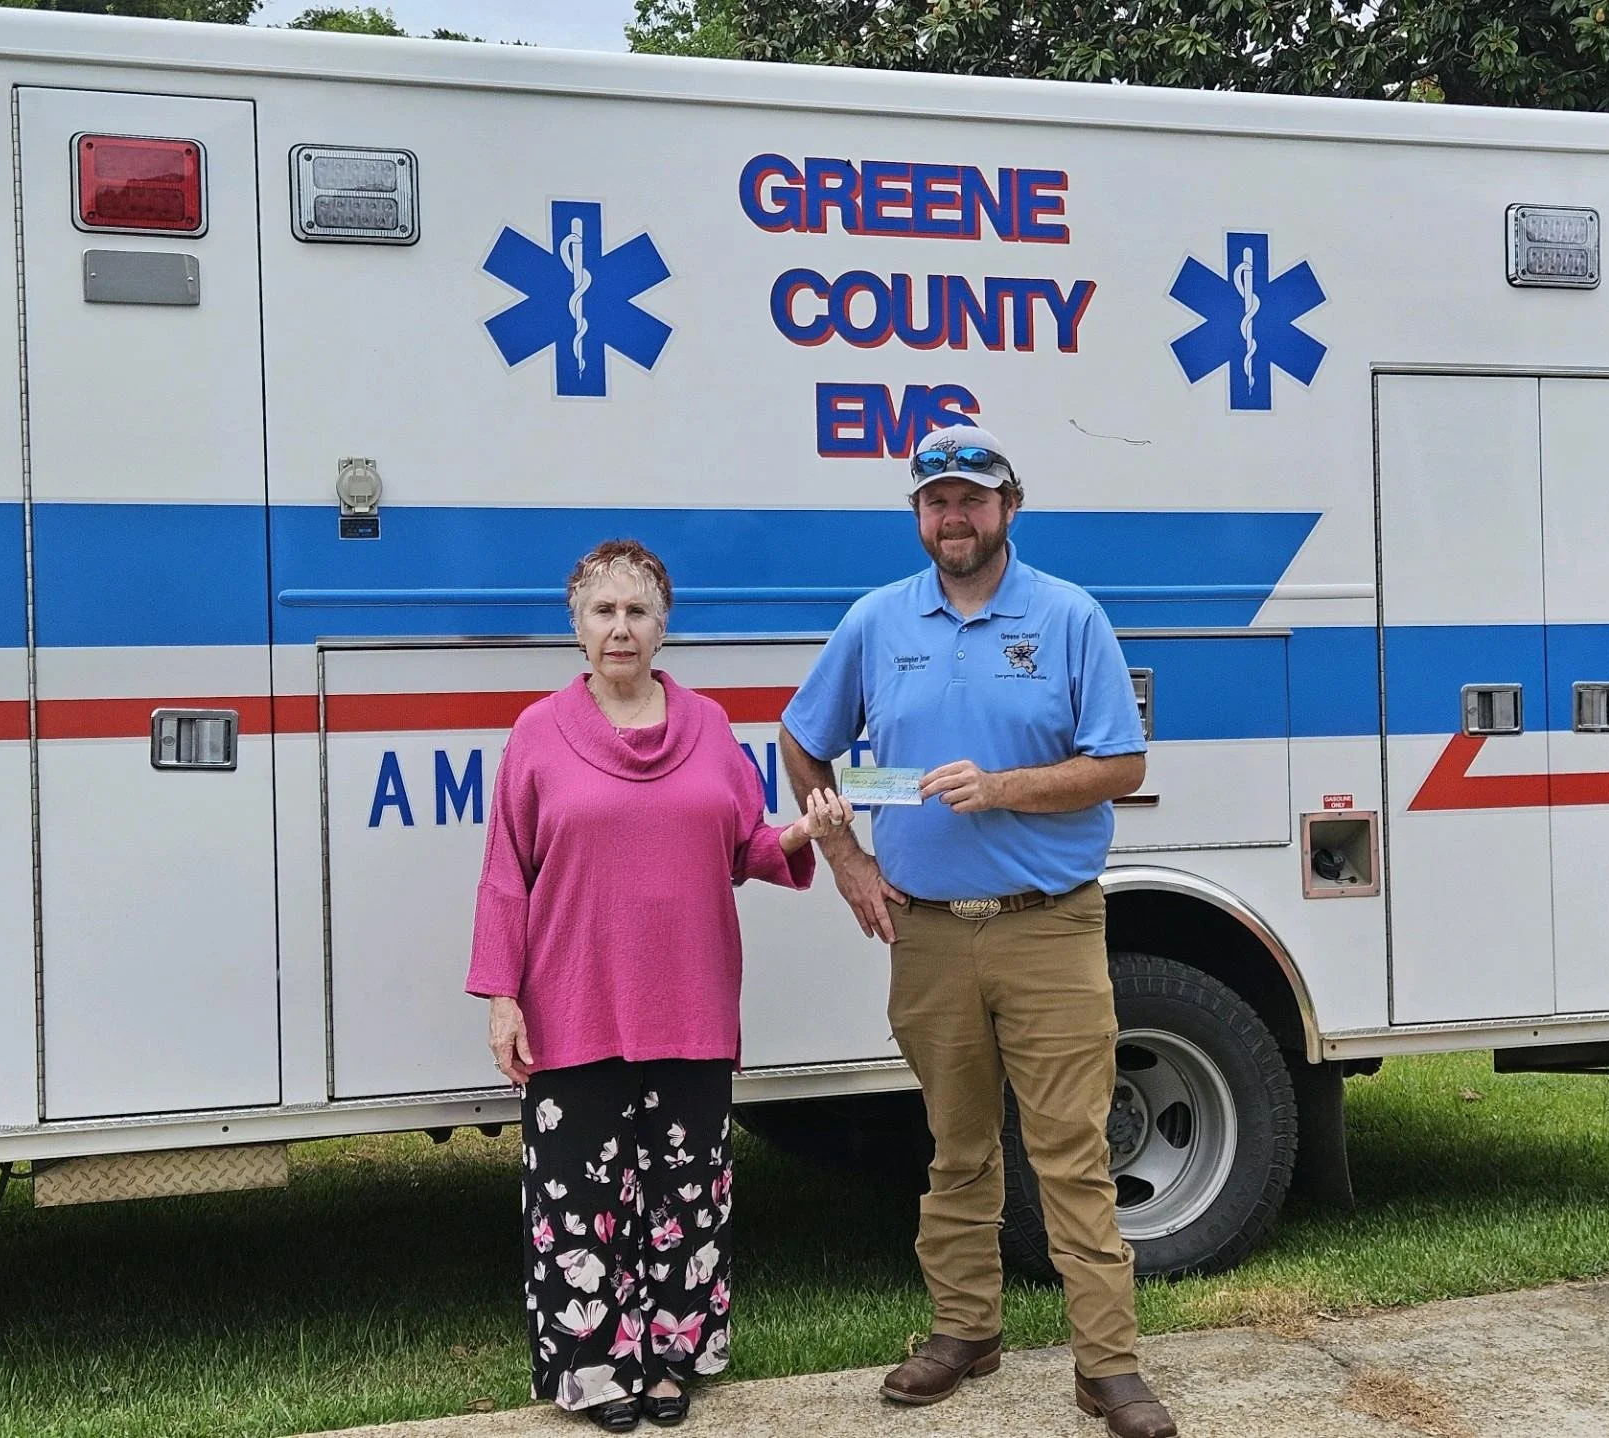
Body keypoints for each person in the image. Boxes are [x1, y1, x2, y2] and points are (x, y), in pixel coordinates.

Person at [779, 426, 1177, 1438]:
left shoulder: (1067, 615)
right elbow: (802, 740)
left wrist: (1002, 789)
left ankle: (1108, 1367)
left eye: (971, 499)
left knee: (1071, 1155)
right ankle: (964, 1331)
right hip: (929, 935)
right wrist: (850, 861)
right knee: (956, 1149)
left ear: (1009, 506)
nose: (952, 518)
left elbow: (1119, 765)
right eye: (935, 501)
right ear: (919, 516)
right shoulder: (877, 621)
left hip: (1048, 927)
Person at [468, 538, 851, 1433]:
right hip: (572, 1007)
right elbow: (503, 876)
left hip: (688, 1003)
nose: (620, 629)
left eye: (637, 611)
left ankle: (672, 1358)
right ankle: (597, 1370)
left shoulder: (710, 729)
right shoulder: (536, 734)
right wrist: (501, 996)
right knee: (578, 1198)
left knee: (685, 1194)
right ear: (576, 626)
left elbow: (743, 848)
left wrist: (802, 834)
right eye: (602, 612)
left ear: (663, 625)